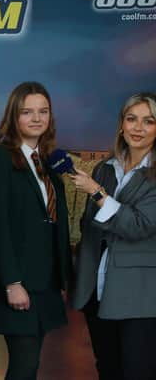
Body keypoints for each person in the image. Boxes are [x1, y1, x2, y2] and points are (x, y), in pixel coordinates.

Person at [0, 82, 72, 380]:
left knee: (31, 367)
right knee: (25, 365)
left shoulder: (48, 163)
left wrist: (62, 277)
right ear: (13, 116)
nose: (36, 118)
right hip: (17, 282)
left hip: (45, 282)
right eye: (27, 112)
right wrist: (11, 282)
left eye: (43, 111)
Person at [70, 92, 156, 380]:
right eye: (131, 119)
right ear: (121, 124)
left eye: (149, 121)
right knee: (107, 369)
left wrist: (98, 193)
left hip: (141, 294)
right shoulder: (104, 168)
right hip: (98, 288)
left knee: (137, 371)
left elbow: (139, 226)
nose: (138, 128)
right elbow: (89, 226)